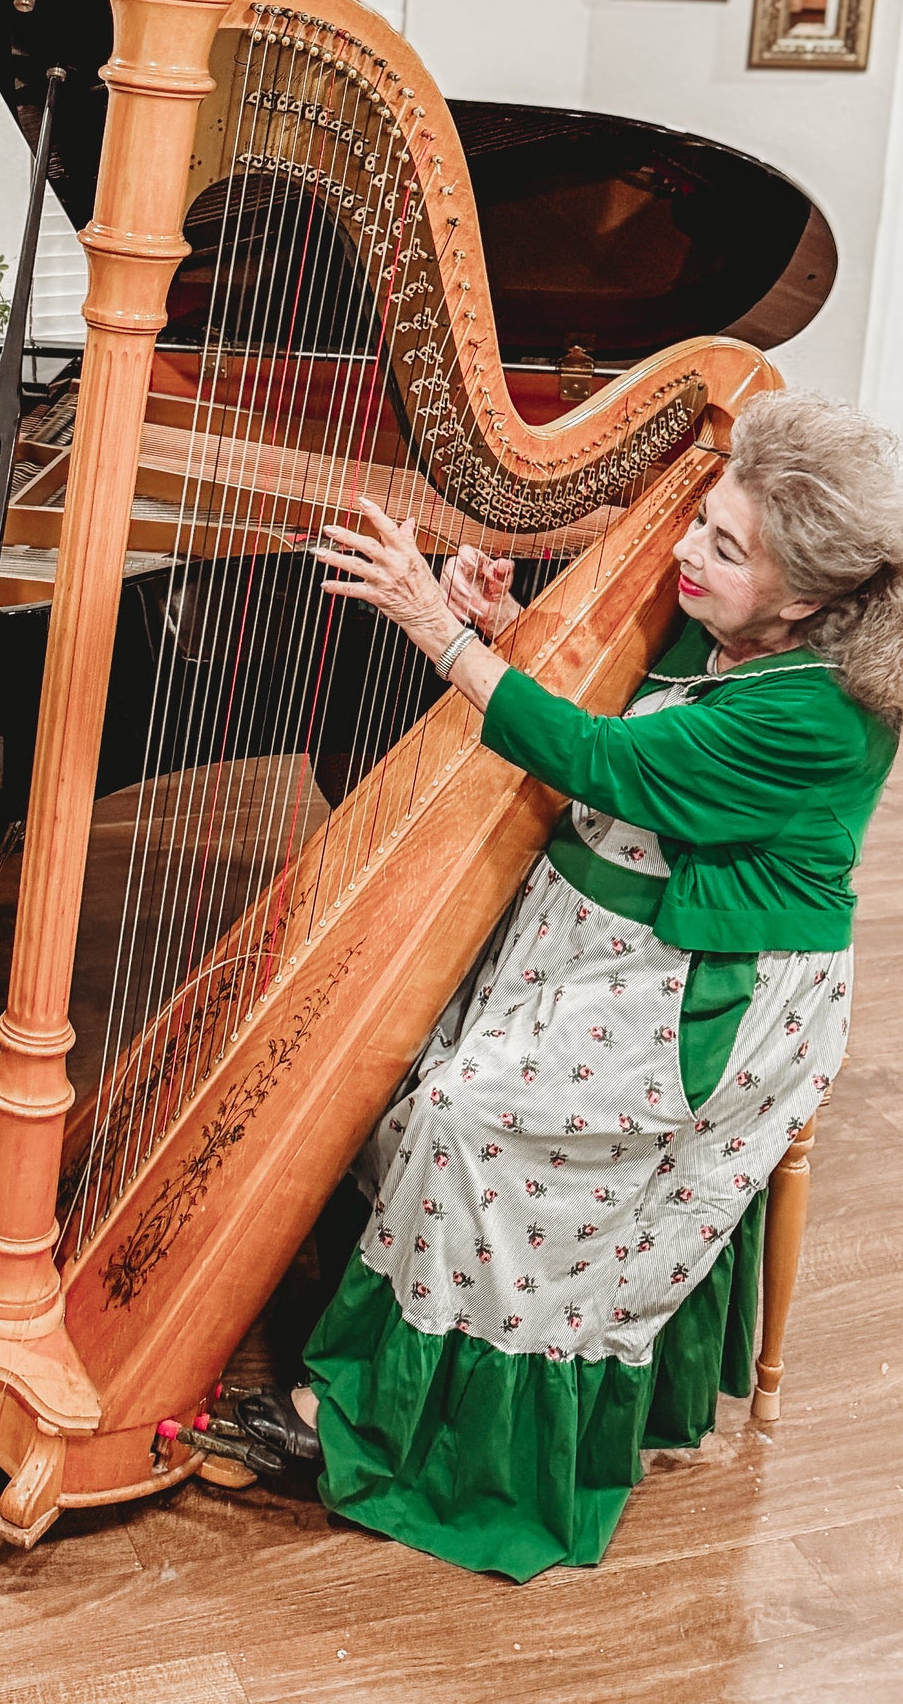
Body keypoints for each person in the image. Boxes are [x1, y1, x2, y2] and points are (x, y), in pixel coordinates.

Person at [211, 389, 901, 1580]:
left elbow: (599, 756)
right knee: (407, 1067)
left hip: (702, 993)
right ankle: (371, 1329)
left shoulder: (819, 717)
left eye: (723, 550)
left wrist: (439, 628)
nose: (684, 550)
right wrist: (511, 622)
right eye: (700, 521)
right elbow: (623, 701)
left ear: (803, 601)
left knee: (457, 1114)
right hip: (603, 930)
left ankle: (381, 1426)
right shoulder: (741, 624)